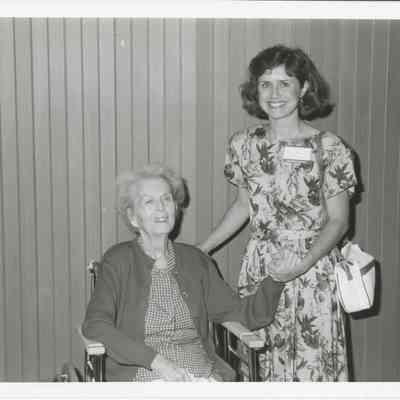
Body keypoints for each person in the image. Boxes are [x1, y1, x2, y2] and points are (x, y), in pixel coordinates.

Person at [198, 45, 358, 381]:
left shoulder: (330, 147)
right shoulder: (243, 144)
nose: (274, 94)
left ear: (304, 87)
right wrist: (202, 249)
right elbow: (243, 206)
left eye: (285, 83)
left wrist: (302, 263)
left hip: (311, 270)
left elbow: (339, 221)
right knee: (259, 362)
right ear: (254, 90)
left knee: (312, 368)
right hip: (260, 268)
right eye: (265, 84)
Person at [82, 163, 283, 382]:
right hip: (145, 377)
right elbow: (95, 325)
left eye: (166, 199)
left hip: (201, 376)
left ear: (175, 208)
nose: (161, 208)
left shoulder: (196, 261)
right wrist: (157, 362)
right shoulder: (118, 260)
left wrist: (276, 279)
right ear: (133, 217)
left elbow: (242, 315)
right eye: (149, 202)